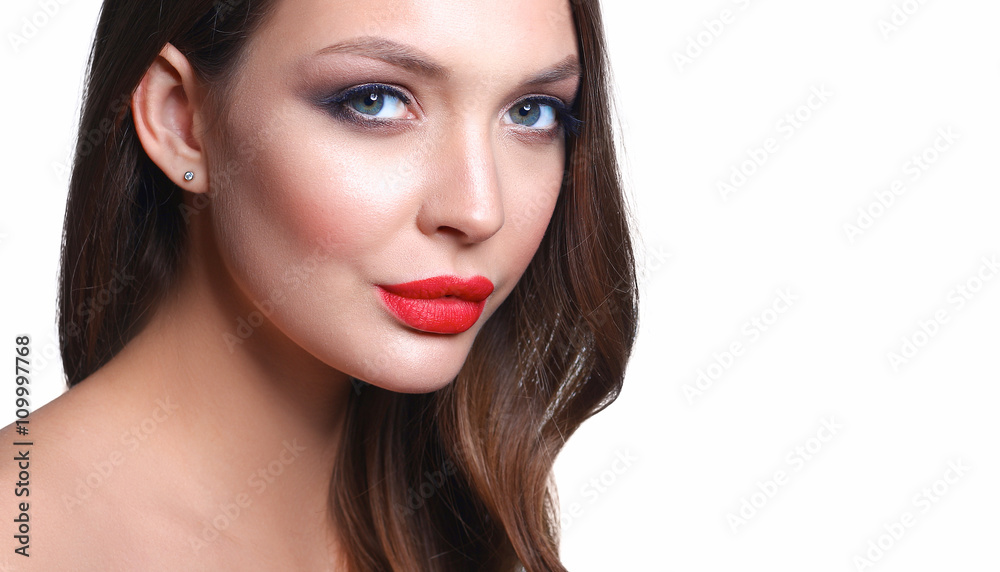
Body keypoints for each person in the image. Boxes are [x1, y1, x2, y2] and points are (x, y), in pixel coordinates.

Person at [0, 0, 637, 569]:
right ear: (182, 121)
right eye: (375, 101)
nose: (478, 210)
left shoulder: (447, 519)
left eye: (532, 112)